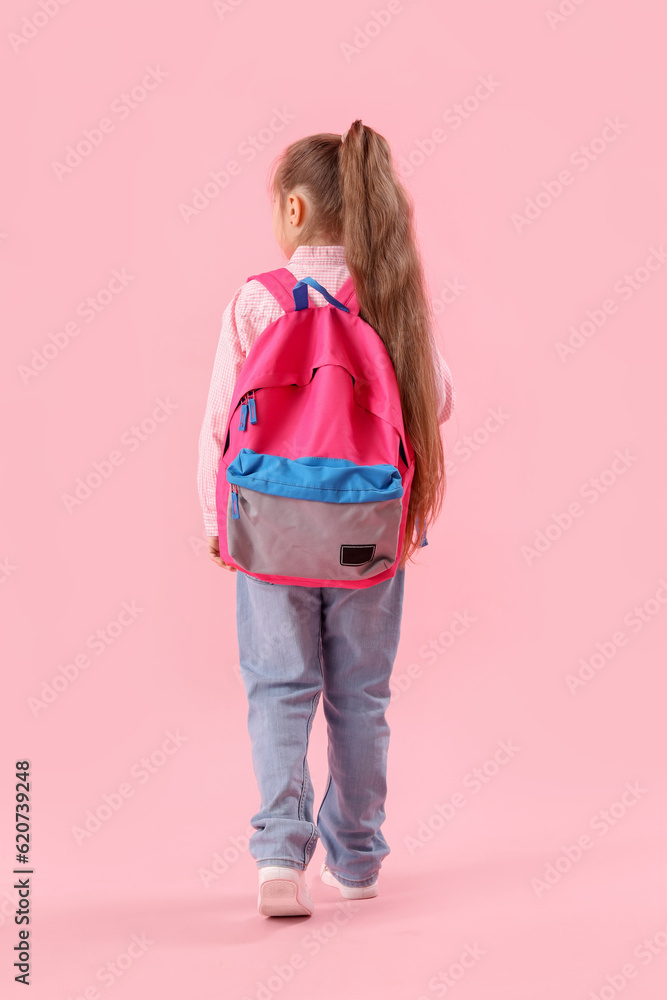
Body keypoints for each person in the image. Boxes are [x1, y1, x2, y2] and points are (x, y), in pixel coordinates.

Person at [197, 120, 456, 917]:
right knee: (360, 695)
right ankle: (359, 858)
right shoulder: (388, 300)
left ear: (297, 210)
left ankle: (280, 859)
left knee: (277, 689)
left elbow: (218, 423)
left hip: (269, 528)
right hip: (364, 534)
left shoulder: (256, 301)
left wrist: (216, 526)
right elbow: (438, 402)